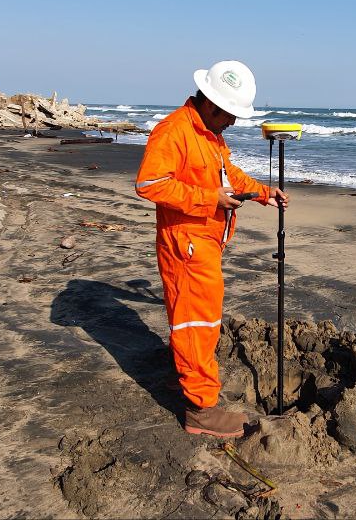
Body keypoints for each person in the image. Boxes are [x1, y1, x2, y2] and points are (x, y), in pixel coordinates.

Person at [135, 60, 290, 437]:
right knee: (197, 320)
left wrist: (262, 193)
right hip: (185, 244)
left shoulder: (209, 133)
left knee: (191, 316)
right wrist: (209, 199)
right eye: (230, 114)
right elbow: (150, 183)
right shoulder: (174, 132)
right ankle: (201, 409)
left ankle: (185, 375)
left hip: (202, 241)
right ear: (210, 102)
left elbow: (227, 176)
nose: (234, 122)